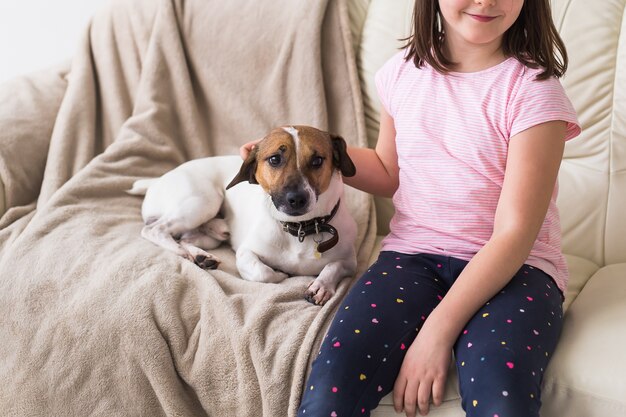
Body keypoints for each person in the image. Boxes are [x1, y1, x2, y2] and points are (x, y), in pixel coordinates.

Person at [241, 0, 581, 416]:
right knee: (330, 390)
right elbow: (387, 170)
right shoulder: (405, 71)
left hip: (517, 270)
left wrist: (435, 334)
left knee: (500, 396)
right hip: (411, 258)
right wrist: (311, 156)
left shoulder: (534, 90)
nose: (487, 0)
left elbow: (514, 234)